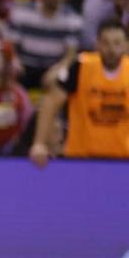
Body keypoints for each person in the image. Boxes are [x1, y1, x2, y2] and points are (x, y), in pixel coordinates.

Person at [31, 21, 129, 164]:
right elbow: (51, 102)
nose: (111, 49)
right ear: (97, 44)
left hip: (123, 161)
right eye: (106, 43)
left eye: (117, 43)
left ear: (126, 45)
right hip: (81, 159)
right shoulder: (80, 66)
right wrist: (39, 143)